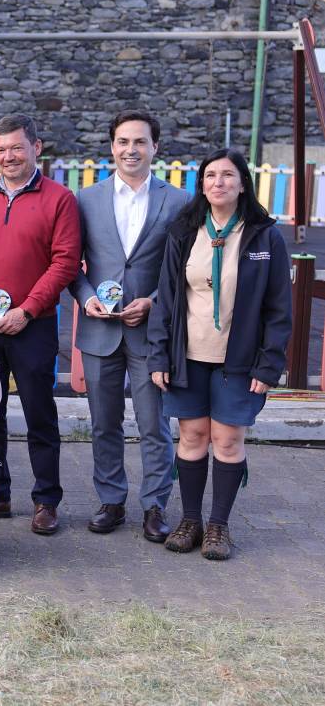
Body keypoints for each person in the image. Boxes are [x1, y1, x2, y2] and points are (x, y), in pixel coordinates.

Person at [148, 149, 291, 561]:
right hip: (188, 356)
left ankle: (218, 527)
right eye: (210, 175)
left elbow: (279, 309)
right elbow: (167, 301)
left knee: (227, 440)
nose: (218, 182)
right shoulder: (183, 231)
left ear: (243, 183)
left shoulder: (265, 236)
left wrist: (269, 364)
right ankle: (190, 521)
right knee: (192, 436)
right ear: (202, 185)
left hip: (240, 361)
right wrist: (160, 357)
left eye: (228, 175)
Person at [0, 114, 80, 534]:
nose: (8, 156)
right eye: (1, 149)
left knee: (40, 414)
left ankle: (46, 500)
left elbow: (65, 262)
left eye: (16, 148)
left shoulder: (60, 199)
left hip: (33, 325)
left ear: (36, 148)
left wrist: (26, 309)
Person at [71, 111, 191, 540]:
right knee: (104, 423)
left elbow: (184, 269)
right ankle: (111, 500)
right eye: (123, 142)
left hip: (150, 332)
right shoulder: (86, 199)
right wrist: (87, 299)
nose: (131, 150)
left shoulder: (177, 201)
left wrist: (154, 302)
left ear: (155, 148)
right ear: (111, 147)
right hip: (99, 331)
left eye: (139, 142)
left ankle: (155, 506)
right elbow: (71, 264)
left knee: (154, 424)